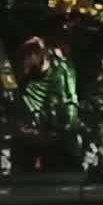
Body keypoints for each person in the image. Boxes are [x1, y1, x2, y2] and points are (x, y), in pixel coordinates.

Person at [11, 33, 83, 171]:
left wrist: (64, 127)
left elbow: (70, 101)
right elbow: (14, 101)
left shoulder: (61, 70)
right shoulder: (22, 76)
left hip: (57, 135)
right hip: (28, 134)